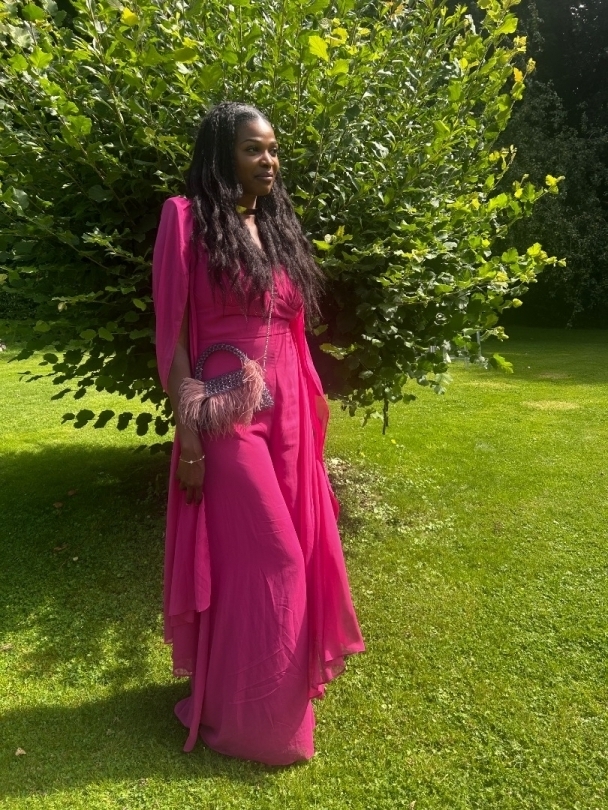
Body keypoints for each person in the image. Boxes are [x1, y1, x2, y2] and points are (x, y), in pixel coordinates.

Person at [152, 102, 364, 766]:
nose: (268, 160)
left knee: (286, 550)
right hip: (227, 412)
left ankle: (240, 698)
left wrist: (311, 418)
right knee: (275, 559)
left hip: (290, 410)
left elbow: (292, 331)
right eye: (252, 149)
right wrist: (189, 435)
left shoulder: (273, 226)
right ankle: (255, 727)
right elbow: (174, 337)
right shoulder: (185, 220)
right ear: (222, 155)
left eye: (272, 149)